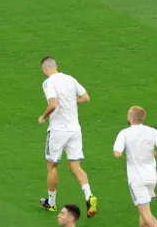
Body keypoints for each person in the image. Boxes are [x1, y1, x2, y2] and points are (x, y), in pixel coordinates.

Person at [38, 56, 97, 218]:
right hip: (75, 130)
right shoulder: (70, 79)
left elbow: (53, 104)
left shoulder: (49, 82)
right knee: (75, 166)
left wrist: (43, 116)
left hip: (58, 130)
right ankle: (89, 196)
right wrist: (71, 102)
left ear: (45, 69)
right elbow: (86, 97)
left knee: (52, 166)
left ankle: (51, 202)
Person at [113, 106, 157, 227]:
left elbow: (117, 154)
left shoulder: (125, 133)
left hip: (137, 179)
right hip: (151, 177)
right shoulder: (152, 131)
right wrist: (152, 153)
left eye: (128, 115)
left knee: (147, 216)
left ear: (132, 118)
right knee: (142, 213)